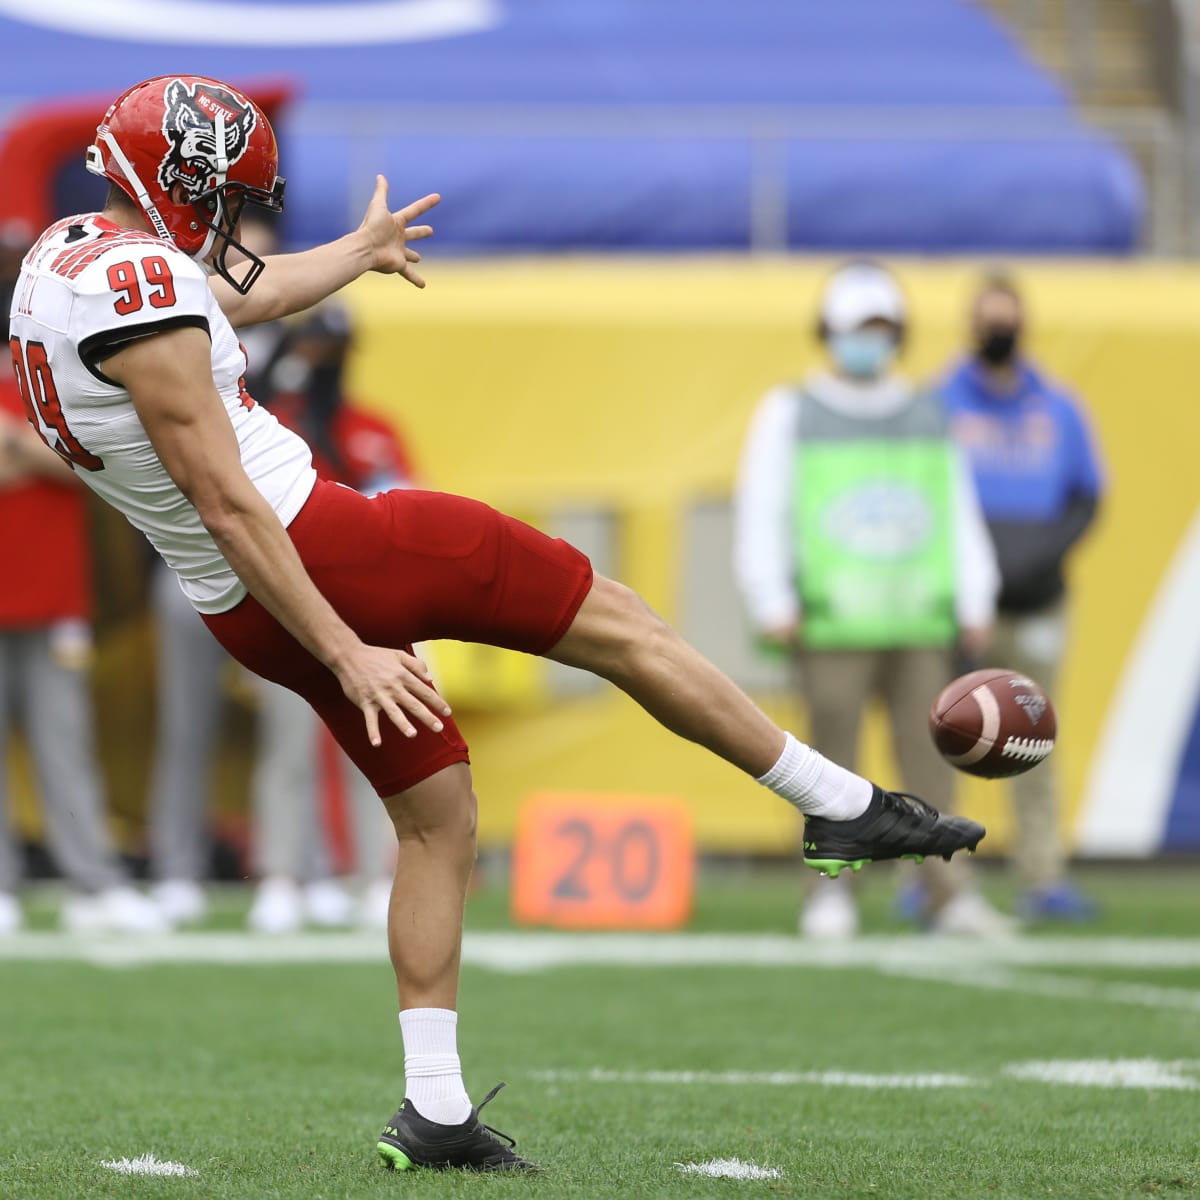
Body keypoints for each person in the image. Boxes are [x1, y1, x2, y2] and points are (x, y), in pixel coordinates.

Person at [9, 76, 984, 1172]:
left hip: (243, 605)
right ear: (180, 180)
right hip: (326, 551)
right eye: (224, 193)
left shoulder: (74, 258)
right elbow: (231, 498)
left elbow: (222, 301)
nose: (234, 218)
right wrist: (347, 647)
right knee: (616, 621)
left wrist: (355, 249)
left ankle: (434, 1107)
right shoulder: (142, 290)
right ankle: (836, 802)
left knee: (438, 822)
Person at [732, 261, 1009, 940]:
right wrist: (770, 595)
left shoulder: (925, 408)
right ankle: (830, 894)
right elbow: (762, 506)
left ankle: (946, 892)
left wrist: (976, 593)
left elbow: (956, 506)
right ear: (829, 331)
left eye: (882, 327)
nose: (870, 339)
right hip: (832, 619)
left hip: (917, 615)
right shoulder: (790, 409)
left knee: (932, 761)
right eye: (859, 327)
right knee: (827, 765)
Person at [0, 225, 165, 935]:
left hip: (56, 590)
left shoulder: (51, 363)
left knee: (65, 739)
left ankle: (92, 882)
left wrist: (24, 451)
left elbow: (82, 456)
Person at [939, 270, 1104, 922]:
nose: (997, 331)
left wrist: (1040, 557)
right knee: (947, 737)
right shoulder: (943, 401)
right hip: (964, 606)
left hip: (1038, 598)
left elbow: (1088, 496)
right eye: (988, 318)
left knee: (1034, 738)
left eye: (1006, 319)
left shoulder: (1058, 407)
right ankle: (934, 879)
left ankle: (1042, 876)